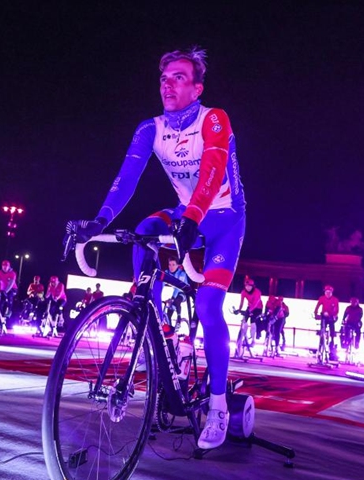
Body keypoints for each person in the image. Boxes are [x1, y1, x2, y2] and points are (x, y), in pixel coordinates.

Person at [70, 47, 246, 449]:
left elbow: (212, 171)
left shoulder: (213, 119)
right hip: (187, 211)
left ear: (197, 88)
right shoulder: (150, 128)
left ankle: (218, 406)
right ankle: (150, 316)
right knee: (144, 229)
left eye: (178, 77)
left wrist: (192, 220)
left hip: (224, 217)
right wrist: (99, 222)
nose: (168, 84)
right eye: (164, 78)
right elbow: (126, 179)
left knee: (207, 306)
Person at [314, 285, 339, 358]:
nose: (327, 294)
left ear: (331, 293)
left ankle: (332, 340)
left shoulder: (335, 299)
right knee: (322, 327)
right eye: (326, 292)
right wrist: (315, 313)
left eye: (329, 292)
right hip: (324, 316)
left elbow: (337, 310)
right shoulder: (322, 298)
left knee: (332, 327)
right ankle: (322, 339)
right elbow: (317, 306)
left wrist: (333, 315)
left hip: (331, 316)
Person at [163, 257, 189, 325]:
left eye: (173, 265)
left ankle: (179, 318)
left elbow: (178, 287)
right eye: (169, 264)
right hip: (174, 293)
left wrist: (173, 298)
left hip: (183, 292)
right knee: (168, 314)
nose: (171, 267)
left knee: (176, 301)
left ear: (178, 265)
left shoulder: (182, 274)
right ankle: (171, 330)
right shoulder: (167, 272)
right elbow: (161, 284)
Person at [238, 278, 263, 345]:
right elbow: (241, 302)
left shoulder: (257, 292)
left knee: (253, 321)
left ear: (252, 286)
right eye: (246, 286)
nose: (247, 288)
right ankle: (243, 338)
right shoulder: (243, 292)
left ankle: (253, 339)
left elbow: (256, 303)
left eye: (249, 286)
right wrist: (239, 310)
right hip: (250, 307)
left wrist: (250, 310)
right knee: (244, 321)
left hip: (258, 308)